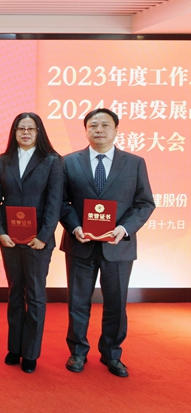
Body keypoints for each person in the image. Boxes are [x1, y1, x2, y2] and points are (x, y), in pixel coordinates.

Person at [60, 108, 154, 378]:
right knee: (78, 301)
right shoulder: (69, 162)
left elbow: (144, 203)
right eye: (93, 125)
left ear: (116, 130)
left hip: (118, 246)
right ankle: (78, 351)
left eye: (105, 125)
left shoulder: (134, 163)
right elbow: (61, 201)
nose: (99, 130)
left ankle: (112, 354)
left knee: (116, 303)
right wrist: (75, 227)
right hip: (80, 243)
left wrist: (124, 229)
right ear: (85, 130)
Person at [0, 112, 63, 373]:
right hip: (9, 240)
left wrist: (43, 236)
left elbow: (54, 202)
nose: (26, 133)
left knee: (36, 295)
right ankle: (15, 347)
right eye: (21, 128)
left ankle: (30, 353)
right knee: (15, 293)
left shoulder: (52, 160)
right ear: (14, 132)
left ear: (39, 132)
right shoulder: (3, 160)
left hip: (37, 242)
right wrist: (0, 232)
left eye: (31, 128)